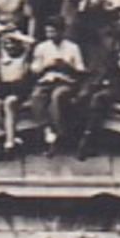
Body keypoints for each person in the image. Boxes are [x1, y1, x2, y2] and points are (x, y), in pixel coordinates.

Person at [29, 17, 85, 155]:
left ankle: (60, 133)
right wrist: (47, 65)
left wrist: (66, 65)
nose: (50, 35)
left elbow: (81, 69)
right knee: (36, 97)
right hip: (47, 80)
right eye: (48, 32)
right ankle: (47, 128)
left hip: (66, 81)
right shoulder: (41, 47)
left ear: (61, 31)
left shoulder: (72, 47)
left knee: (57, 96)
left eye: (53, 32)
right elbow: (34, 69)